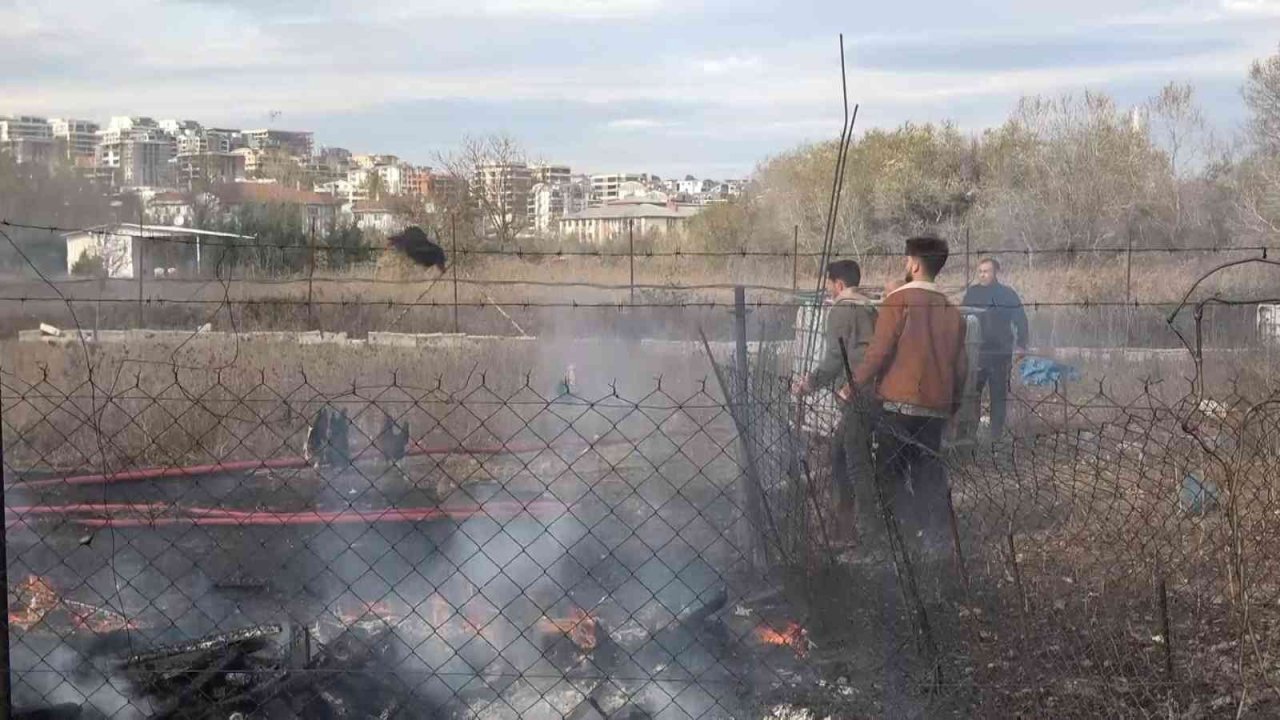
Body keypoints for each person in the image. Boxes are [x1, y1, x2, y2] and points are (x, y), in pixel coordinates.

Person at [847, 236, 967, 549]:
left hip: (898, 408)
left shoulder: (898, 301)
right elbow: (961, 368)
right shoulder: (952, 311)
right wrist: (952, 408)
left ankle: (897, 542)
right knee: (930, 475)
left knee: (890, 474)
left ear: (913, 263)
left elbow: (879, 352)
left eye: (906, 260)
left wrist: (853, 384)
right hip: (936, 409)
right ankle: (937, 541)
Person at [793, 260, 878, 536]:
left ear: (838, 284)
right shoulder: (870, 308)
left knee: (855, 462)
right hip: (871, 390)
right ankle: (845, 524)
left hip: (857, 392)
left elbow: (833, 359)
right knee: (840, 453)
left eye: (831, 285)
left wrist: (809, 384)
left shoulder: (842, 310)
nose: (830, 291)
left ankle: (868, 530)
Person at [961, 257, 1028, 438]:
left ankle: (995, 435)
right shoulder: (971, 294)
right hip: (976, 354)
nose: (983, 275)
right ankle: (969, 434)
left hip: (1000, 353)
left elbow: (1021, 320)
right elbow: (962, 321)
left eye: (986, 271)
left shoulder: (1007, 294)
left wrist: (1021, 345)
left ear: (995, 272)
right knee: (971, 395)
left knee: (998, 396)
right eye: (980, 271)